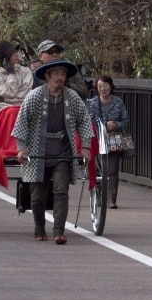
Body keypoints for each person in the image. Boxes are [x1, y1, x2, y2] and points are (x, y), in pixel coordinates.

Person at [12, 59, 94, 244]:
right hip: (37, 149)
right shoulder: (34, 97)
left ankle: (59, 231)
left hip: (63, 150)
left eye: (63, 74)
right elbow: (22, 123)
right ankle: (39, 227)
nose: (60, 78)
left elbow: (84, 120)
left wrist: (86, 147)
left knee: (61, 190)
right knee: (38, 195)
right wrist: (21, 149)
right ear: (47, 77)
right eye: (56, 74)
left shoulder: (71, 97)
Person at [87, 74, 128, 209]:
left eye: (105, 85)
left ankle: (112, 199)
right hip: (97, 139)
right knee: (98, 169)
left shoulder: (118, 102)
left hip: (114, 139)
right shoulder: (92, 103)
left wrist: (115, 124)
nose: (102, 88)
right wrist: (103, 125)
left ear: (111, 87)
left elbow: (126, 121)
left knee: (113, 170)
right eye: (99, 86)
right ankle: (99, 196)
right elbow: (87, 122)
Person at [0, 41, 35, 108]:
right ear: (4, 58)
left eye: (16, 51)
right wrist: (11, 74)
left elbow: (26, 94)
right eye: (13, 53)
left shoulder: (25, 71)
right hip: (6, 111)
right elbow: (11, 93)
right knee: (12, 112)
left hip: (25, 107)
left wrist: (5, 99)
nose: (17, 54)